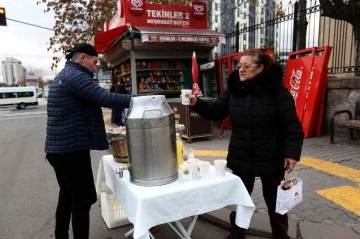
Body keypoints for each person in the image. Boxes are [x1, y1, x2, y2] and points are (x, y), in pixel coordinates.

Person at [184, 49, 304, 239]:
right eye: (240, 66)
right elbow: (216, 110)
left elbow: (291, 125)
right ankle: (237, 233)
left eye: (247, 66)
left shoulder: (277, 91)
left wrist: (292, 153)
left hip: (271, 155)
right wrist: (196, 103)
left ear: (261, 68)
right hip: (242, 153)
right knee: (239, 197)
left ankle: (281, 235)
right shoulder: (234, 89)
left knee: (276, 201)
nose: (241, 70)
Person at [45, 43, 132, 239]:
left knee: (67, 195)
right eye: (94, 62)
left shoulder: (65, 75)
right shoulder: (75, 77)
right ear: (82, 58)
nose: (95, 66)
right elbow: (105, 98)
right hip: (70, 151)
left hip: (60, 150)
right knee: (84, 199)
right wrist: (139, 99)